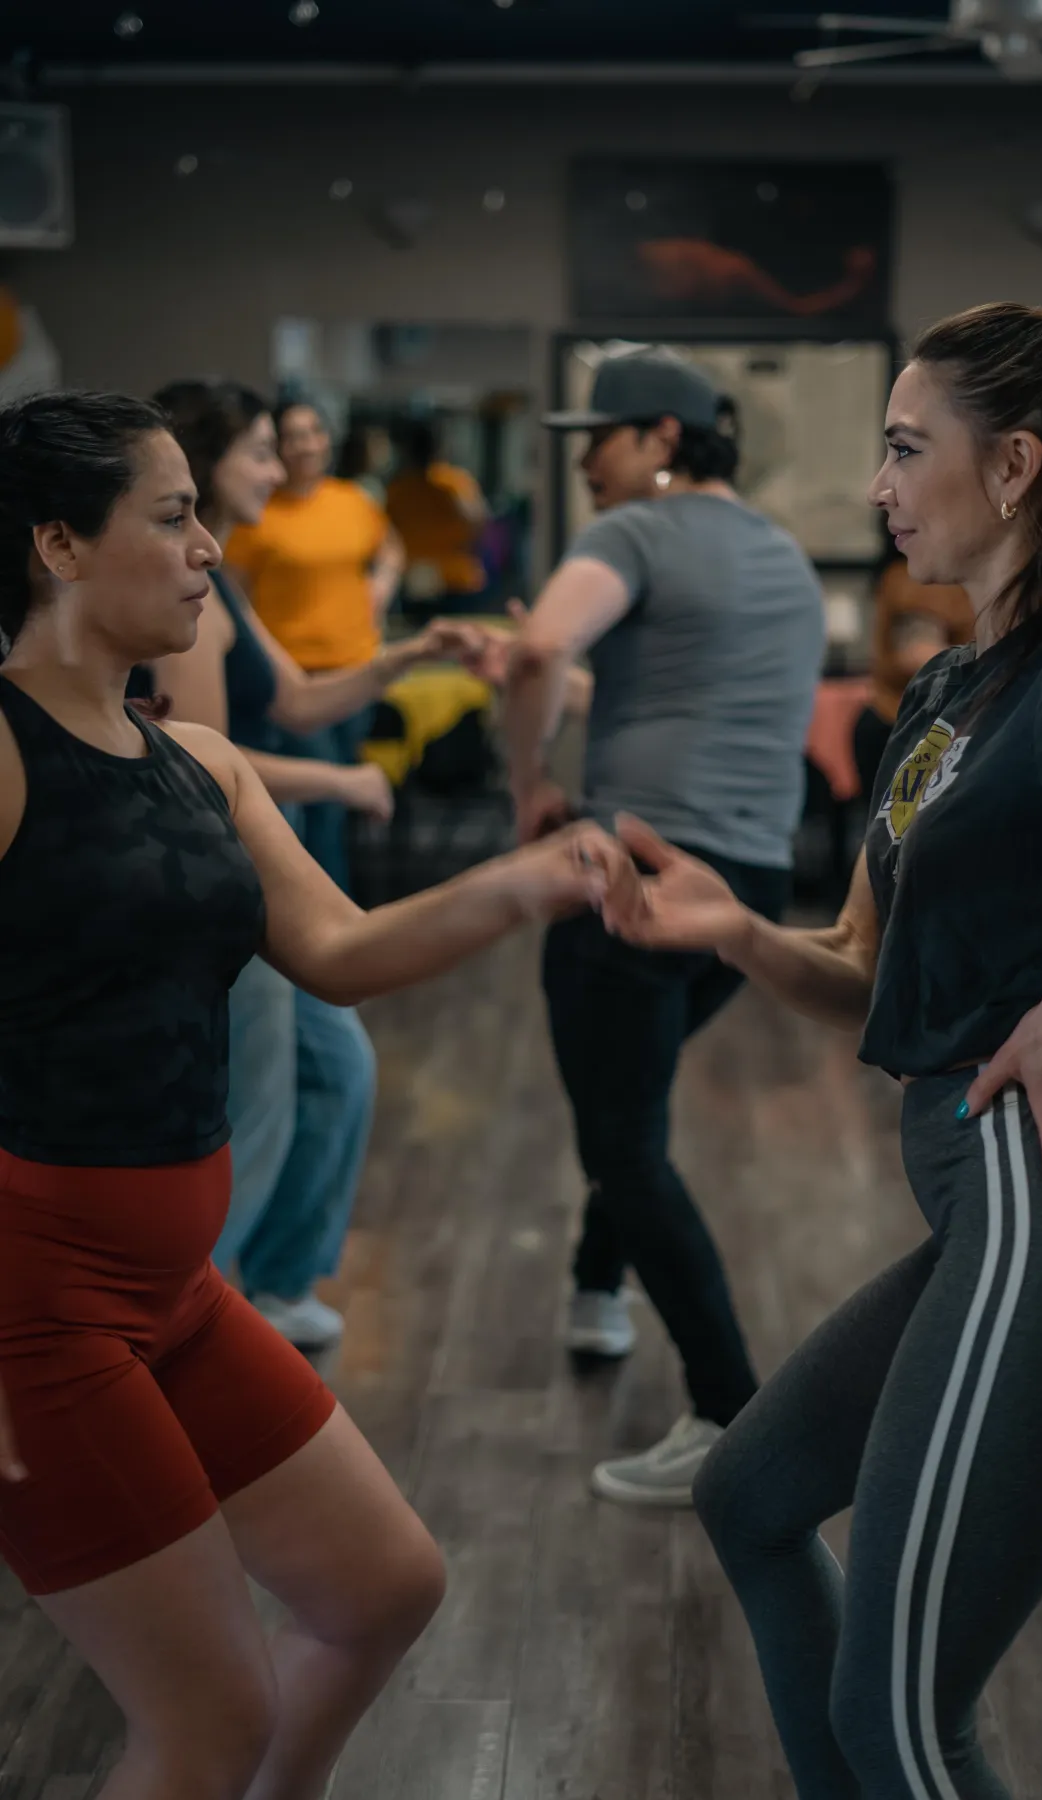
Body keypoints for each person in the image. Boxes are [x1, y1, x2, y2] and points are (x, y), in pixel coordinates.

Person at [600, 299, 1042, 1797]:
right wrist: (736, 930)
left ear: (1011, 473)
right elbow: (871, 973)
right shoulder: (950, 691)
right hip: (988, 1213)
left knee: (905, 1720)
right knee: (749, 1496)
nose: (876, 486)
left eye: (902, 447)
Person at [0, 388, 620, 1800]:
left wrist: (528, 883)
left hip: (172, 1292)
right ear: (59, 543)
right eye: (174, 516)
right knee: (203, 1719)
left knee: (385, 1587)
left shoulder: (200, 764)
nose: (214, 546)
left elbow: (338, 951)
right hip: (33, 1310)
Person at [505, 348, 827, 1506]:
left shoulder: (632, 533)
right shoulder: (780, 556)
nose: (584, 455)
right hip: (738, 883)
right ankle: (597, 1289)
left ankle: (730, 1412)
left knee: (623, 1142)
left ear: (660, 441)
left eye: (599, 435)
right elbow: (691, 685)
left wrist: (527, 781)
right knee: (627, 1102)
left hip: (634, 874)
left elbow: (542, 646)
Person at [153, 379, 488, 1350]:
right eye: (260, 451)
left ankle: (266, 1284)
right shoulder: (192, 594)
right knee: (270, 1092)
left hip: (256, 847)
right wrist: (338, 787)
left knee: (329, 1070)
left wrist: (409, 652)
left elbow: (297, 699)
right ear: (207, 465)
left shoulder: (221, 583)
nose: (280, 468)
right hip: (227, 862)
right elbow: (202, 750)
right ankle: (216, 1308)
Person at [226, 400, 405, 890]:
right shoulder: (258, 510)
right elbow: (232, 597)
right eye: (293, 436)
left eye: (314, 432)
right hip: (294, 684)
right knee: (327, 798)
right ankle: (331, 921)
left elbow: (390, 548)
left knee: (340, 796)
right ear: (278, 448)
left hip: (357, 672)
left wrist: (383, 584)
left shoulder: (352, 500)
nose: (306, 444)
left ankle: (331, 908)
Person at [854, 552, 974, 801]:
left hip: (960, 708)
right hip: (894, 705)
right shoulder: (895, 578)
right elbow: (880, 660)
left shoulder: (975, 579)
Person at [385, 419, 489, 614]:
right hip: (453, 577)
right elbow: (477, 522)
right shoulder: (456, 481)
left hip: (417, 578)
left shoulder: (398, 488)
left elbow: (387, 534)